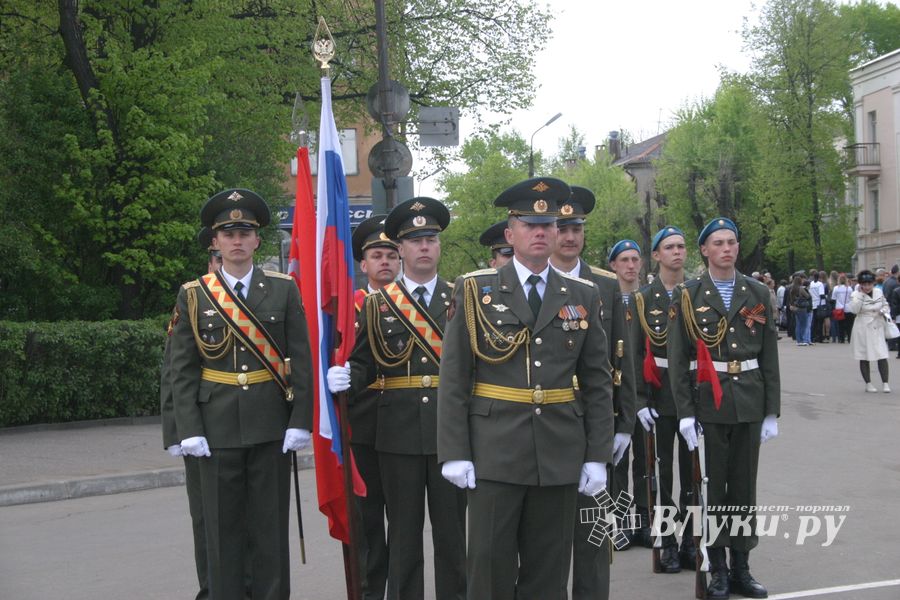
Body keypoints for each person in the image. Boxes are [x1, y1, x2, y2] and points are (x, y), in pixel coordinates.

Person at [437, 177, 614, 600]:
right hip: (495, 451)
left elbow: (597, 381)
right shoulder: (476, 290)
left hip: (559, 450)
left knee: (548, 571)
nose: (540, 232)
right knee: (490, 566)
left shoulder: (583, 294)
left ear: (557, 232)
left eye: (548, 224)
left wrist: (597, 455)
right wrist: (455, 452)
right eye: (529, 224)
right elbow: (456, 377)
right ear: (510, 233)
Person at [169, 189, 313, 600]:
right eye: (227, 232)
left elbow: (299, 358)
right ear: (214, 242)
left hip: (270, 425)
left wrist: (300, 419)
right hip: (215, 430)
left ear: (256, 241)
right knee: (221, 531)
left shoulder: (284, 289)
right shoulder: (195, 294)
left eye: (244, 231)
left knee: (269, 529)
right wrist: (188, 429)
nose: (236, 240)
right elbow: (182, 368)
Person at [329, 197, 466, 600]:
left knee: (453, 535)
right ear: (401, 249)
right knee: (403, 537)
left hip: (451, 433)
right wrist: (343, 377)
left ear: (439, 247)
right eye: (414, 240)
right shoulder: (376, 305)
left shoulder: (464, 299)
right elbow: (364, 364)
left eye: (431, 239)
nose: (424, 247)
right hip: (397, 435)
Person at [669, 217, 780, 600]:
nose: (727, 249)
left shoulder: (757, 292)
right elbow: (678, 359)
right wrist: (684, 412)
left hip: (749, 400)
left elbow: (769, 356)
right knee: (713, 490)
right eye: (718, 243)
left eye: (732, 241)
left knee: (744, 490)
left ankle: (742, 567)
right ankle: (716, 567)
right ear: (704, 250)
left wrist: (771, 411)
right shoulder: (688, 295)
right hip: (709, 405)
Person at [550, 187, 636, 600]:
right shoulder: (533, 281)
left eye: (576, 229)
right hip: (546, 421)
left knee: (593, 534)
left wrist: (624, 422)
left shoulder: (605, 284)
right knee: (545, 540)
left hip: (595, 421)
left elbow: (623, 356)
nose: (569, 237)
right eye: (562, 228)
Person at [161, 227, 222, 600]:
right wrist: (176, 434)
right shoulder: (194, 299)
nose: (221, 265)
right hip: (201, 431)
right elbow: (175, 373)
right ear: (210, 261)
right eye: (216, 260)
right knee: (207, 520)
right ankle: (212, 590)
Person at [633, 226, 696, 573]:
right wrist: (640, 399)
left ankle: (689, 540)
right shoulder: (643, 299)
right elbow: (635, 355)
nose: (677, 252)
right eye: (669, 247)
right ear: (656, 255)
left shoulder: (696, 294)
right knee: (663, 473)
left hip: (692, 394)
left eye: (681, 246)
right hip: (659, 397)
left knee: (693, 475)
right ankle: (667, 540)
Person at [349, 216, 401, 600]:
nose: (384, 261)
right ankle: (369, 593)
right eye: (376, 255)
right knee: (367, 524)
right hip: (361, 429)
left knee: (403, 522)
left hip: (404, 428)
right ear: (362, 264)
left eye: (391, 255)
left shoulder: (417, 304)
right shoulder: (346, 308)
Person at [606, 238, 650, 548]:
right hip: (615, 394)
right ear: (613, 266)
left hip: (646, 395)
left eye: (635, 260)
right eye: (624, 260)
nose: (631, 266)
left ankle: (646, 522)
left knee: (646, 461)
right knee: (616, 463)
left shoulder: (647, 302)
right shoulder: (605, 299)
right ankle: (619, 522)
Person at [848, 270, 891, 393]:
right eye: (864, 284)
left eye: (869, 284)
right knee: (864, 355)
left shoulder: (878, 291)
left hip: (877, 325)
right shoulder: (856, 295)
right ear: (860, 284)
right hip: (863, 327)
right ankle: (868, 383)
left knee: (882, 354)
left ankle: (885, 383)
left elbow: (886, 305)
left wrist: (883, 311)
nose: (867, 287)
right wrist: (861, 295)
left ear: (873, 283)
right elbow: (855, 310)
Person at [788, 275, 812, 346]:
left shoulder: (791, 289)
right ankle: (802, 340)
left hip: (795, 308)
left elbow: (791, 299)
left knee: (798, 325)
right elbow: (808, 296)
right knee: (803, 325)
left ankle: (798, 340)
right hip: (802, 308)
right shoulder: (801, 289)